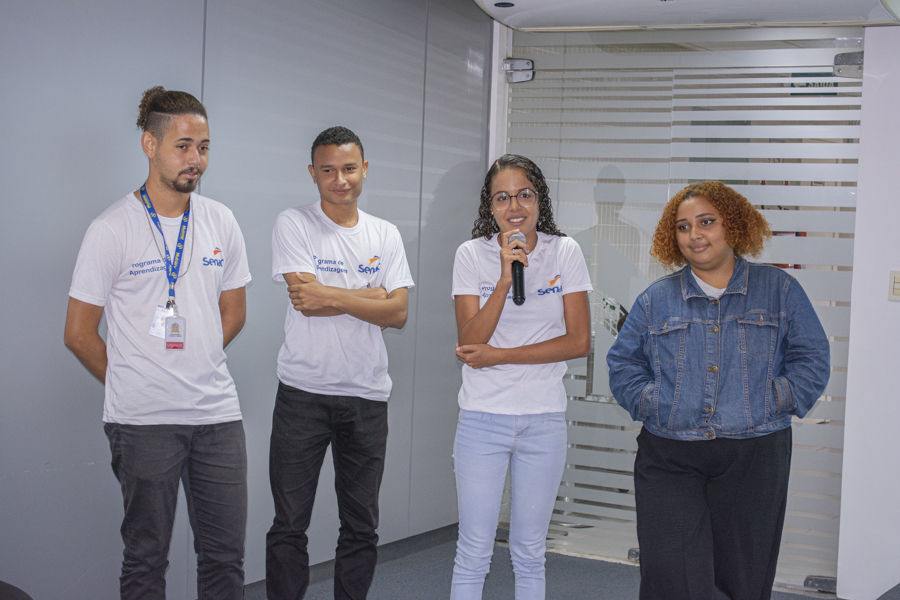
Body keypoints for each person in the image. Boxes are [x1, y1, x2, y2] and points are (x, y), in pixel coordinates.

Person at [63, 86, 251, 599]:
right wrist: (137, 376)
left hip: (216, 415)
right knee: (146, 560)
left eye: (204, 147)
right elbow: (78, 332)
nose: (196, 160)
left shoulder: (221, 221)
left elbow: (233, 313)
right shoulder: (111, 228)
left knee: (225, 559)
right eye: (183, 146)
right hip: (143, 421)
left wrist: (196, 357)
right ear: (150, 144)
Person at [606, 181, 831, 599]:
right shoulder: (656, 299)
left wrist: (772, 400)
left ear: (733, 225)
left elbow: (812, 359)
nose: (695, 234)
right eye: (683, 226)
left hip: (754, 454)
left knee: (742, 578)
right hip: (670, 453)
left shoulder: (779, 290)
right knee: (671, 575)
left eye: (706, 222)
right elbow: (623, 364)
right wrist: (655, 403)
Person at [266, 126, 414, 600]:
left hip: (366, 395)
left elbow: (398, 313)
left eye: (349, 168)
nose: (339, 180)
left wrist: (335, 294)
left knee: (361, 525)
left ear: (364, 170)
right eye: (327, 170)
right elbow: (305, 302)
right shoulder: (293, 223)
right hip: (303, 395)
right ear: (312, 173)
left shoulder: (385, 234)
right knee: (290, 524)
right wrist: (371, 295)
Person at [451, 154, 592, 600]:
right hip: (482, 420)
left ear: (539, 198)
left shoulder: (564, 251)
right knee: (473, 550)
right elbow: (470, 344)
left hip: (543, 420)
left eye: (524, 194)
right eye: (502, 197)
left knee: (529, 552)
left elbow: (578, 342)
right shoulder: (470, 254)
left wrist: (501, 356)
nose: (514, 206)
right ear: (489, 206)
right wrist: (501, 280)